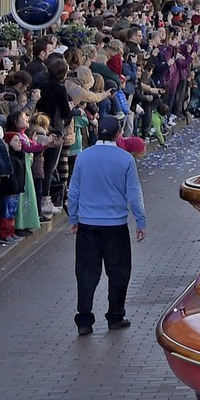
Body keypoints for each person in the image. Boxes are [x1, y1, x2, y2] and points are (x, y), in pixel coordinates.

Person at [68, 113, 146, 335]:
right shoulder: (125, 160)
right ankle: (115, 315)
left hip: (87, 225)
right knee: (119, 272)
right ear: (118, 134)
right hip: (115, 226)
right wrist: (140, 221)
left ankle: (84, 319)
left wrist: (74, 219)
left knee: (85, 273)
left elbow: (74, 192)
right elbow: (134, 195)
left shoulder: (83, 157)